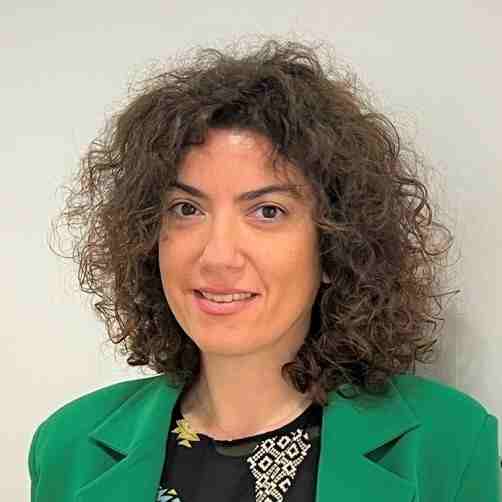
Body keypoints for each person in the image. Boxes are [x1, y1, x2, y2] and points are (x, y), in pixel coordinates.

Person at [29, 37, 500, 502]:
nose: (218, 256)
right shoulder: (68, 447)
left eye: (267, 211)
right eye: (187, 209)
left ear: (335, 243)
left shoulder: (449, 442)